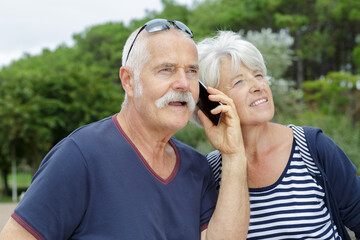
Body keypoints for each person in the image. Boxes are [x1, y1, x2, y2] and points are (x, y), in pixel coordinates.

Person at [0, 20, 249, 239]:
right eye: (167, 69)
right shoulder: (80, 156)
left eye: (192, 71)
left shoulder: (197, 168)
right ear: (129, 81)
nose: (183, 83)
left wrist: (234, 153)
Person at [191, 30, 360, 240]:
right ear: (211, 104)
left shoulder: (313, 147)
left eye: (259, 75)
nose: (258, 86)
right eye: (239, 82)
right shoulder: (210, 174)